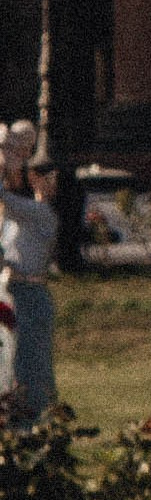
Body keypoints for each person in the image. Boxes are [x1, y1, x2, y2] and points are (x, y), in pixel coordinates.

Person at [1, 157, 59, 415]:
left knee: (31, 363)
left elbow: (6, 200)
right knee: (17, 362)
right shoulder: (22, 217)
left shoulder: (40, 213)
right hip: (16, 291)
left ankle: (38, 420)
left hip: (31, 294)